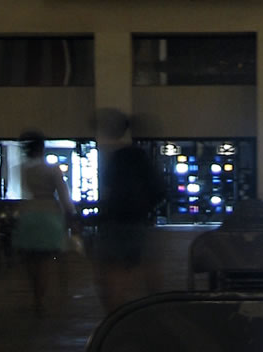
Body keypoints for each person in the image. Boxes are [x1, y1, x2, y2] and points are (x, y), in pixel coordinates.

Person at [91, 108, 166, 315]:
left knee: (114, 271)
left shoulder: (112, 157)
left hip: (115, 220)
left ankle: (114, 317)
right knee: (142, 267)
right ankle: (155, 312)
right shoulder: (139, 156)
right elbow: (159, 189)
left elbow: (107, 190)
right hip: (137, 219)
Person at [12, 131, 77, 316]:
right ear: (42, 148)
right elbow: (64, 194)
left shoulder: (22, 168)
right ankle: (39, 300)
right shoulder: (52, 169)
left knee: (30, 260)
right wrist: (71, 214)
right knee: (44, 261)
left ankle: (34, 295)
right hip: (48, 213)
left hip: (27, 212)